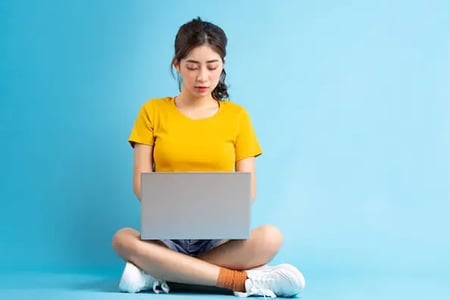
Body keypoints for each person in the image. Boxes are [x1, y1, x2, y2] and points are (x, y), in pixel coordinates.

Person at [112, 17, 306, 298]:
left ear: (222, 65)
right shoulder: (152, 111)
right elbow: (141, 183)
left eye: (212, 66)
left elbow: (247, 189)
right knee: (122, 239)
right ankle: (240, 281)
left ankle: (158, 273)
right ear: (176, 65)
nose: (202, 77)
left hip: (219, 240)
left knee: (270, 237)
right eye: (192, 66)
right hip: (165, 236)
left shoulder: (237, 117)